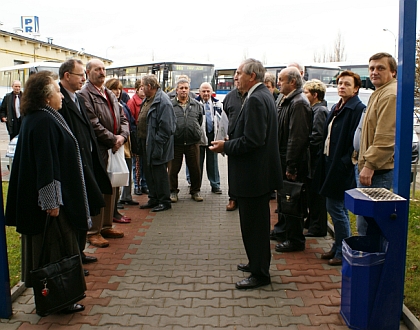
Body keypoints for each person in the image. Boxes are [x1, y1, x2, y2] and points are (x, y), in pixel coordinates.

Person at [5, 70, 88, 314]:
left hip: (47, 201)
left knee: (52, 250)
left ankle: (54, 297)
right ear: (45, 96)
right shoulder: (43, 121)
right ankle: (58, 299)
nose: (61, 95)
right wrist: (52, 202)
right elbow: (46, 165)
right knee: (56, 252)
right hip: (50, 205)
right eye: (56, 91)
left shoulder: (41, 117)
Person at [210, 58, 282, 290]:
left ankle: (260, 274)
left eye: (239, 73)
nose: (235, 78)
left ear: (252, 76)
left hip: (254, 176)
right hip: (257, 175)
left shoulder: (256, 99)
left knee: (255, 228)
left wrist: (225, 146)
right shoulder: (262, 95)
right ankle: (255, 263)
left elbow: (253, 141)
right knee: (254, 226)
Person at [58, 59, 112, 266]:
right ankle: (73, 258)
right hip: (73, 165)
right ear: (67, 76)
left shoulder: (77, 98)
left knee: (86, 206)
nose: (83, 78)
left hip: (87, 161)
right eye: (80, 74)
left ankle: (79, 253)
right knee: (75, 212)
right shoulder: (59, 100)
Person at [315, 71, 365, 266]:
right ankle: (337, 247)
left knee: (336, 208)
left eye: (346, 84)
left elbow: (355, 141)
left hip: (341, 166)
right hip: (329, 162)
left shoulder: (357, 109)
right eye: (340, 83)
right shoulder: (337, 107)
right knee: (333, 206)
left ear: (356, 88)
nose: (342, 86)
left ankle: (344, 251)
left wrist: (345, 162)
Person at [79, 59, 129, 248]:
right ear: (88, 72)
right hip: (99, 149)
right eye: (97, 69)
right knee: (99, 188)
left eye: (103, 69)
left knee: (113, 187)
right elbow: (93, 123)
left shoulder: (108, 93)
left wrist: (122, 137)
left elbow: (123, 118)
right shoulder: (85, 94)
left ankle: (107, 225)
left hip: (114, 147)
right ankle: (94, 231)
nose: (102, 72)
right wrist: (112, 139)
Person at [356, 52, 397, 236]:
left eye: (381, 68)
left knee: (368, 227)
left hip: (377, 172)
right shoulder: (379, 92)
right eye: (372, 68)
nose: (374, 72)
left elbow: (386, 137)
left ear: (393, 72)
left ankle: (371, 263)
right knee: (366, 223)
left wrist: (370, 164)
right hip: (370, 168)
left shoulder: (390, 95)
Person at [273, 67, 312, 253]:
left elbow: (297, 138)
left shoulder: (298, 103)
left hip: (291, 162)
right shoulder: (286, 100)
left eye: (281, 80)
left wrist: (291, 165)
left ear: (293, 82)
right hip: (283, 158)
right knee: (285, 198)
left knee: (293, 200)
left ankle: (295, 239)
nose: (278, 83)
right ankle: (283, 231)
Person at [138, 74, 175, 212]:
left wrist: (158, 146)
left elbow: (167, 128)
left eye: (142, 86)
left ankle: (164, 201)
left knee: (159, 174)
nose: (141, 89)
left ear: (149, 86)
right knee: (149, 173)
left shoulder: (163, 102)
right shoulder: (148, 99)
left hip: (157, 144)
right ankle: (153, 198)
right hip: (147, 143)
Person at [105, 78, 138, 216]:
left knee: (123, 174)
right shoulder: (108, 105)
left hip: (125, 144)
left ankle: (119, 203)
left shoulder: (121, 105)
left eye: (119, 89)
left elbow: (127, 122)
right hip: (115, 146)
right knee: (113, 176)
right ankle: (114, 207)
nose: (117, 92)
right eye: (114, 89)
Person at [169, 79, 204, 202]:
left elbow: (199, 121)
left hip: (192, 142)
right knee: (173, 169)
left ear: (189, 90)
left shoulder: (196, 105)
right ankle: (173, 191)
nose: (184, 90)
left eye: (186, 88)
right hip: (176, 143)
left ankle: (195, 191)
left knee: (195, 168)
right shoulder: (170, 105)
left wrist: (195, 132)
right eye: (181, 88)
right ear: (176, 90)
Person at [302, 79, 328, 237]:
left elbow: (316, 136)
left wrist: (306, 146)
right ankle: (312, 221)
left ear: (315, 95)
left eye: (306, 93)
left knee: (317, 195)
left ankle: (318, 227)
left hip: (316, 160)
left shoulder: (319, 111)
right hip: (314, 160)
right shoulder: (315, 109)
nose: (304, 96)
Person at [222, 81, 247, 211]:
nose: (238, 82)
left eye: (240, 78)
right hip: (233, 140)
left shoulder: (253, 96)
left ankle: (245, 198)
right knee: (233, 171)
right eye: (236, 80)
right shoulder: (230, 97)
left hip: (248, 140)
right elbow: (224, 118)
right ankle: (233, 198)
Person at [196, 82, 223, 194]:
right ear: (200, 92)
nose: (206, 93)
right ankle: (196, 187)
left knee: (213, 162)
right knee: (198, 163)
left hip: (213, 136)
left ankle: (215, 185)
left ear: (212, 92)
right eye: (204, 91)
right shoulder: (195, 104)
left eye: (208, 91)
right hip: (199, 137)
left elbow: (222, 121)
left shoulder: (218, 104)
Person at [127, 79, 148, 196]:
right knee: (137, 163)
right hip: (136, 136)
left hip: (144, 136)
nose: (143, 90)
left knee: (144, 163)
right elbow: (131, 121)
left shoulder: (146, 101)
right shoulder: (132, 102)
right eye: (141, 88)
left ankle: (144, 184)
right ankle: (137, 186)